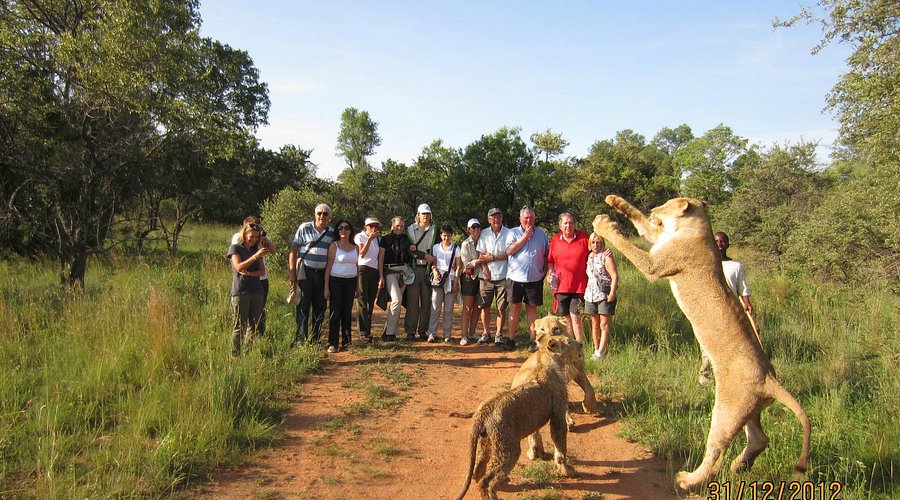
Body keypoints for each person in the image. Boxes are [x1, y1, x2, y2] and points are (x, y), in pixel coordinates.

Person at [699, 231, 757, 385]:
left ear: (728, 244)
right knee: (708, 345)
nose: (719, 243)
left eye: (723, 241)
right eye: (716, 241)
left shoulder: (736, 266)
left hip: (731, 313)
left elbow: (742, 289)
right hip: (710, 311)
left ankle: (732, 379)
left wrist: (747, 304)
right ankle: (706, 379)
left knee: (733, 346)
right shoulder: (705, 264)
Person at [288, 204, 336, 347]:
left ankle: (316, 339)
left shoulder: (332, 233)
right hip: (305, 273)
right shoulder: (305, 227)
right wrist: (292, 272)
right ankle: (301, 340)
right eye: (319, 213)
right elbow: (294, 250)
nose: (322, 216)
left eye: (325, 214)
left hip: (322, 275)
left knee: (320, 306)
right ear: (315, 215)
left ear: (329, 217)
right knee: (303, 306)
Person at [504, 206, 549, 350]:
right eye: (526, 218)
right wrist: (525, 237)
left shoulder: (542, 235)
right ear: (520, 219)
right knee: (515, 307)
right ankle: (511, 339)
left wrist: (546, 272)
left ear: (535, 219)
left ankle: (532, 340)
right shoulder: (513, 233)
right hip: (515, 277)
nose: (528, 220)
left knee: (532, 309)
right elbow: (509, 251)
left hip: (535, 278)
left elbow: (547, 256)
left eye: (531, 218)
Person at [546, 212, 590, 343]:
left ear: (575, 224)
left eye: (571, 223)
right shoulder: (554, 240)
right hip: (561, 286)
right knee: (565, 318)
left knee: (575, 316)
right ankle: (569, 343)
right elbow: (550, 261)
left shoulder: (585, 238)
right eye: (565, 223)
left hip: (579, 285)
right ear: (560, 225)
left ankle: (579, 344)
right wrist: (549, 274)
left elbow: (597, 249)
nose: (568, 226)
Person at [230, 216, 276, 337]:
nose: (255, 238)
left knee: (258, 316)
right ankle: (237, 352)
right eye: (252, 228)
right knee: (240, 321)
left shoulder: (260, 239)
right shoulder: (237, 239)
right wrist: (255, 256)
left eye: (258, 229)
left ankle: (255, 341)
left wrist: (264, 237)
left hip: (261, 281)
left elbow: (273, 250)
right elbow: (239, 264)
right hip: (244, 283)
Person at [227, 222, 268, 356]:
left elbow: (262, 271)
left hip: (257, 290)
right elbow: (238, 267)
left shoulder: (256, 249)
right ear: (244, 234)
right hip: (241, 291)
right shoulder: (235, 248)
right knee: (239, 325)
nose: (254, 239)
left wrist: (250, 273)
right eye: (252, 236)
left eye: (257, 237)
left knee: (254, 326)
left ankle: (247, 353)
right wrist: (255, 258)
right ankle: (235, 355)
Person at [474, 208, 512, 346]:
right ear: (489, 219)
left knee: (501, 307)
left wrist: (494, 257)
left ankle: (499, 334)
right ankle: (486, 332)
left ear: (502, 218)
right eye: (493, 217)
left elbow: (509, 252)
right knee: (484, 306)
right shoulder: (484, 233)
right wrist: (485, 270)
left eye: (498, 217)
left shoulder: (509, 233)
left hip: (503, 275)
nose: (496, 220)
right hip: (486, 276)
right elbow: (481, 254)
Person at [324, 219, 359, 353]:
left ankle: (347, 342)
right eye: (340, 228)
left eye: (346, 228)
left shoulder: (356, 247)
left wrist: (357, 286)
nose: (343, 230)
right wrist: (326, 287)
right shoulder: (334, 246)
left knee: (347, 312)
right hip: (336, 281)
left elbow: (357, 266)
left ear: (350, 231)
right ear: (337, 231)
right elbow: (329, 266)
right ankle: (332, 343)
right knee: (335, 312)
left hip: (351, 281)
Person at [405, 203, 437, 341]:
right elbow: (408, 249)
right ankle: (411, 331)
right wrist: (424, 256)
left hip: (428, 270)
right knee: (412, 302)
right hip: (414, 268)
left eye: (428, 214)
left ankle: (423, 330)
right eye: (423, 214)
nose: (425, 216)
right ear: (418, 215)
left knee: (426, 302)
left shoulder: (435, 230)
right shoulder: (410, 230)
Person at [584, 232, 618, 360]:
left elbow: (614, 276)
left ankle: (600, 352)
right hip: (591, 294)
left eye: (598, 242)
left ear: (602, 243)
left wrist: (612, 293)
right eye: (593, 242)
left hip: (604, 294)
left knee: (604, 325)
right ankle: (596, 349)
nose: (596, 244)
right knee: (595, 324)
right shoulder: (590, 257)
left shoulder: (606, 256)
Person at [379, 216, 414, 341]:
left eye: (402, 226)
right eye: (397, 226)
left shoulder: (406, 239)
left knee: (397, 303)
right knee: (396, 299)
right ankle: (389, 333)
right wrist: (381, 276)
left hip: (403, 272)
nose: (399, 228)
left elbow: (411, 253)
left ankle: (388, 331)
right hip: (390, 271)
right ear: (392, 225)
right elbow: (381, 258)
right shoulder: (385, 239)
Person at [427, 225, 460, 342]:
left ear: (452, 236)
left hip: (450, 279)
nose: (446, 238)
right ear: (441, 235)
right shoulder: (436, 247)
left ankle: (447, 334)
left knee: (448, 309)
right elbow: (433, 262)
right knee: (435, 307)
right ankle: (432, 333)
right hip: (438, 280)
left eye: (449, 235)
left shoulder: (456, 248)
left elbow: (458, 266)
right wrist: (434, 271)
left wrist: (456, 282)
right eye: (444, 235)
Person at [355, 217, 383, 344]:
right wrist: (369, 239)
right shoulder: (360, 237)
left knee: (370, 302)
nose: (374, 228)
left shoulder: (378, 239)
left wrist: (380, 275)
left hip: (374, 271)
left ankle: (368, 331)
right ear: (365, 227)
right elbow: (362, 253)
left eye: (376, 226)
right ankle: (363, 333)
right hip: (362, 269)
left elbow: (379, 258)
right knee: (362, 300)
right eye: (371, 226)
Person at [458, 218, 484, 345]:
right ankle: (464, 335)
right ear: (469, 229)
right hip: (469, 278)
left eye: (478, 227)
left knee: (478, 307)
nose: (476, 229)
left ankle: (472, 332)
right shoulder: (465, 244)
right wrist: (479, 261)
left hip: (481, 277)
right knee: (467, 308)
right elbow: (466, 263)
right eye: (473, 227)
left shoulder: (484, 241)